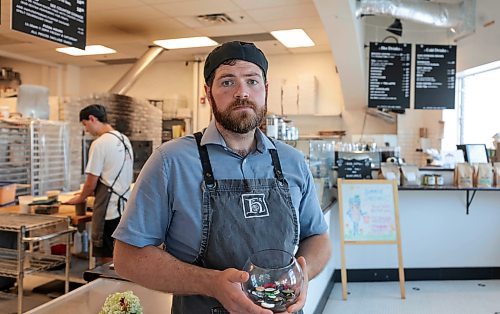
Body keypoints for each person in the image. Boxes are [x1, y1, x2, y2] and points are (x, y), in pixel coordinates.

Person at [113, 41, 331, 313]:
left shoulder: (292, 161)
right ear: (208, 93)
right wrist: (212, 283)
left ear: (266, 90)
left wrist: (301, 277)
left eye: (252, 81)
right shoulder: (171, 161)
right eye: (228, 82)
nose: (242, 93)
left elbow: (319, 239)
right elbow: (128, 258)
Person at [66, 104, 133, 265]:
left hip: (108, 210)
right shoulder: (124, 139)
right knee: (120, 252)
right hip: (125, 207)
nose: (87, 130)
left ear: (92, 119)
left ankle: (108, 288)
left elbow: (90, 183)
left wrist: (79, 198)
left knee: (107, 256)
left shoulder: (100, 143)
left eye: (85, 125)